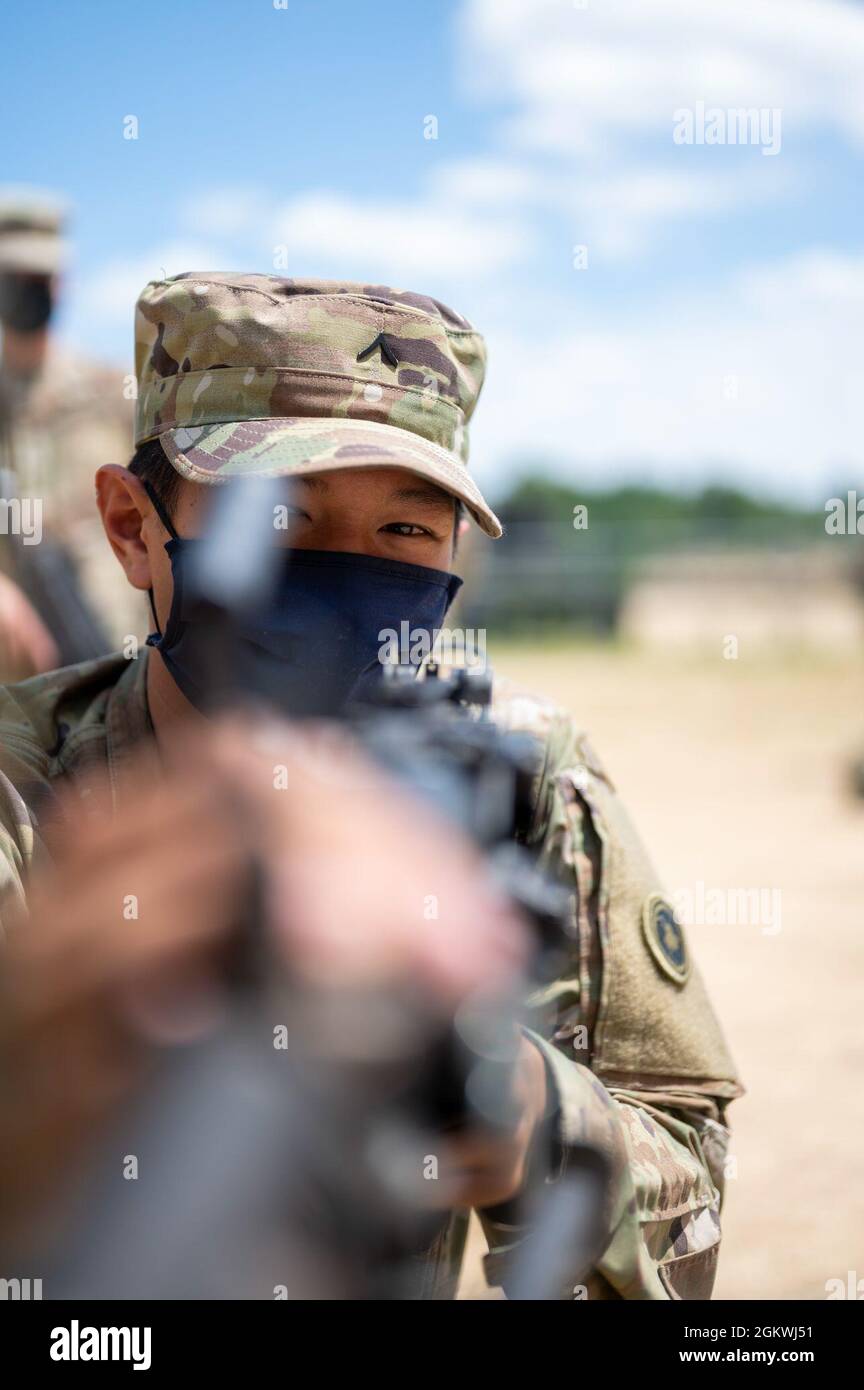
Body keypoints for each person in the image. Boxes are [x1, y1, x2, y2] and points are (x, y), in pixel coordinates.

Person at [0, 272, 741, 1299]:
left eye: (403, 533)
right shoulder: (18, 780)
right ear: (133, 527)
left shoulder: (517, 775)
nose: (345, 575)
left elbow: (688, 1171)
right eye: (279, 522)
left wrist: (539, 1114)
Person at [0, 189, 147, 677]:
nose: (28, 289)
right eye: (13, 278)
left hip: (112, 669)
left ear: (62, 282)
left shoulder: (116, 394)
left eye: (39, 278)